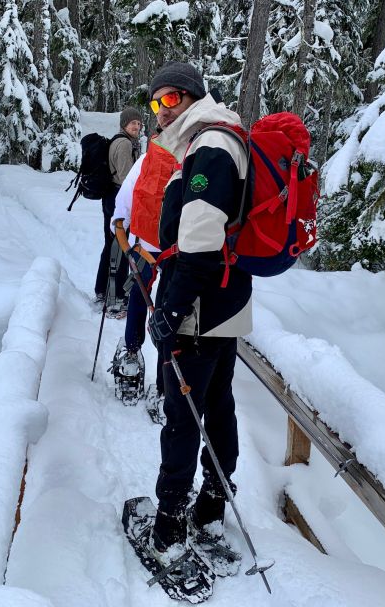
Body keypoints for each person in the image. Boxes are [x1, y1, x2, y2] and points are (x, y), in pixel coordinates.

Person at [144, 62, 251, 562]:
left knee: (184, 412)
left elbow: (201, 241)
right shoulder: (211, 140)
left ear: (190, 97)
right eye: (155, 102)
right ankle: (212, 501)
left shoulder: (209, 146)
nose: (161, 111)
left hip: (201, 301)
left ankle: (169, 524)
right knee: (217, 399)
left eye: (170, 100)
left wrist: (172, 307)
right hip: (227, 297)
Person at [110, 118, 175, 421]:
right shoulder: (190, 161)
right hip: (177, 253)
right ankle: (165, 382)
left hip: (144, 249)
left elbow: (122, 207)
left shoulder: (147, 162)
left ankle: (132, 357)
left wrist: (121, 235)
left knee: (139, 298)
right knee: (168, 310)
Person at [94, 107, 142, 317]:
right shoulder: (123, 144)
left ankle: (102, 290)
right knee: (119, 247)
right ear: (124, 124)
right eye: (133, 123)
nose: (137, 127)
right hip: (119, 199)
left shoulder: (124, 141)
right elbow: (126, 177)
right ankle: (115, 300)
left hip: (113, 198)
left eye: (139, 124)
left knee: (111, 245)